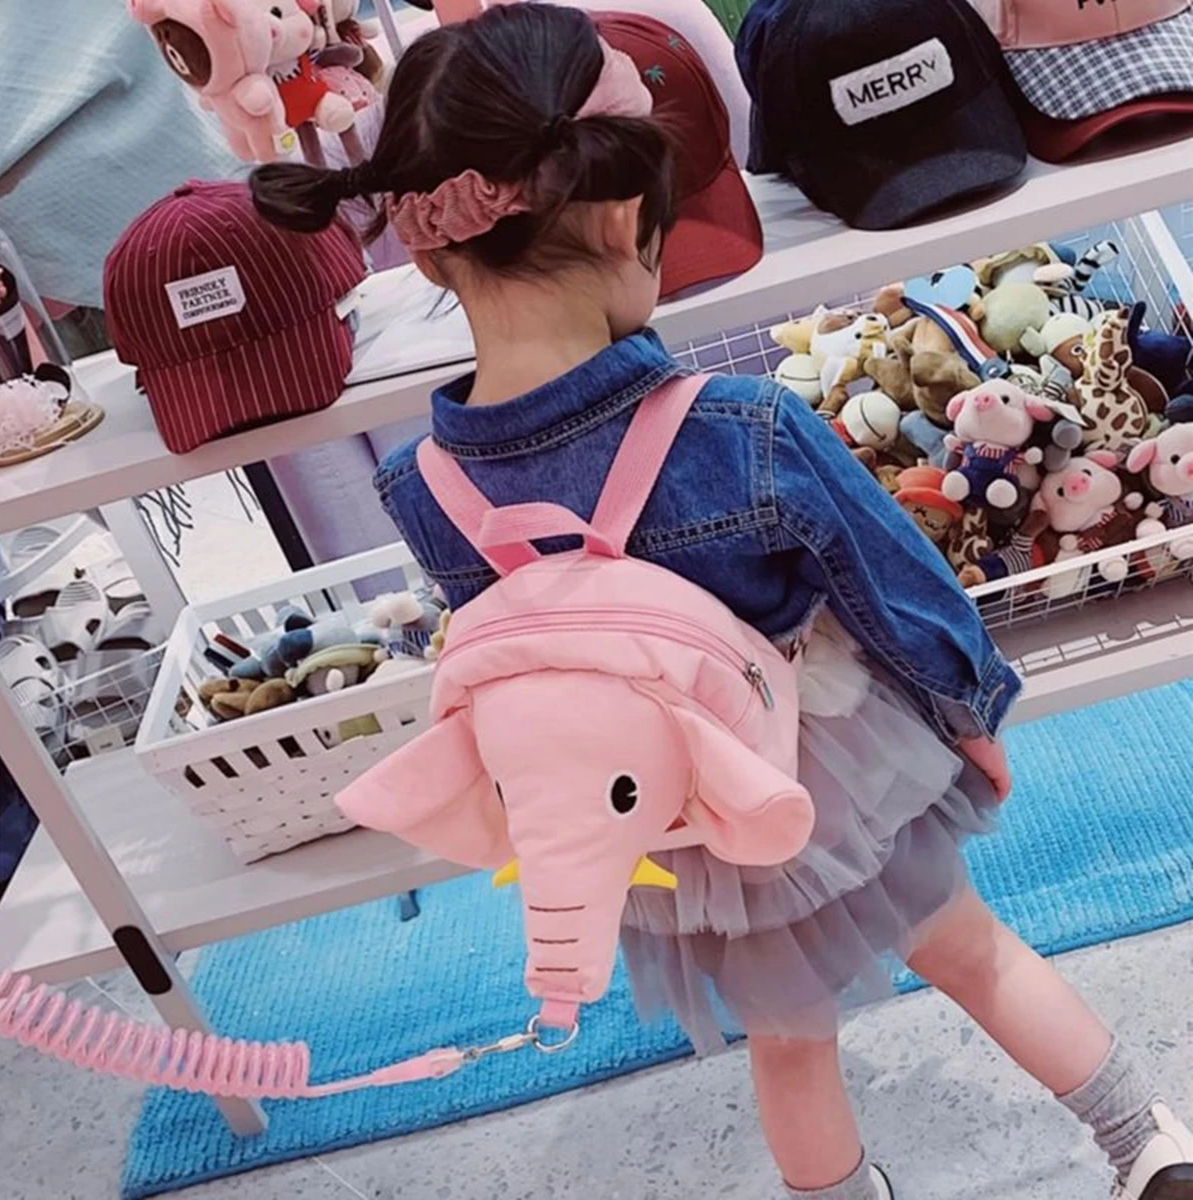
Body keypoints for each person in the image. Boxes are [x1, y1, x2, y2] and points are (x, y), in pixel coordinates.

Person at [249, 7, 1193, 1199]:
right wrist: (971, 717)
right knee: (972, 951)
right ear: (619, 221)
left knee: (788, 1043)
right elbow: (897, 593)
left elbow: (524, 652)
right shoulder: (742, 426)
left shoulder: (421, 489)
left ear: (433, 254)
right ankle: (1144, 1143)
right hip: (827, 770)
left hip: (663, 813)